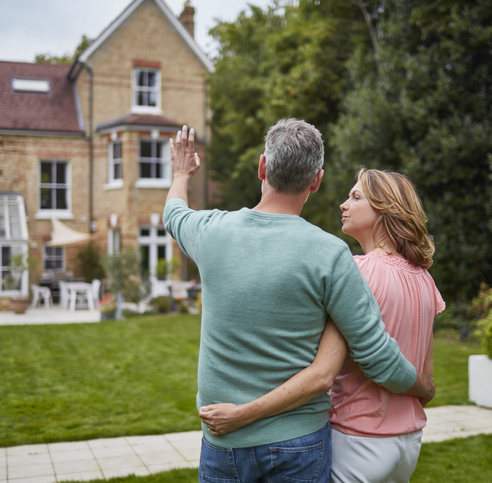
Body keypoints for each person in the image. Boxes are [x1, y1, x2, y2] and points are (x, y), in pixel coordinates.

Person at [163, 120, 434, 483]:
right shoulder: (332, 255)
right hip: (299, 445)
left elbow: (173, 213)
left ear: (262, 166)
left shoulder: (210, 231)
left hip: (223, 442)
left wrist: (182, 172)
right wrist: (423, 388)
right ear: (316, 180)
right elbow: (376, 355)